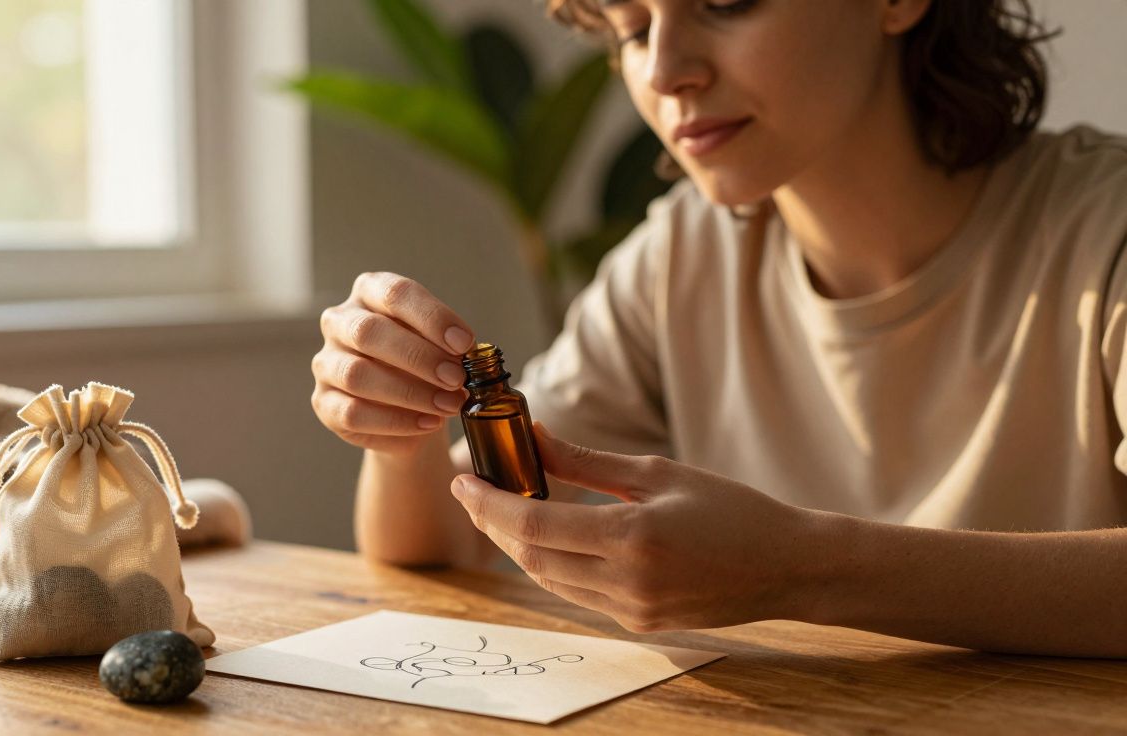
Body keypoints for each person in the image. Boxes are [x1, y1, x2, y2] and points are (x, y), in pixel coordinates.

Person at [310, 0, 1127, 657]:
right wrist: (402, 432)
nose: (665, 70)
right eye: (630, 28)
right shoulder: (679, 255)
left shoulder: (1104, 231)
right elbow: (444, 546)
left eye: (726, 4)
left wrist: (805, 570)